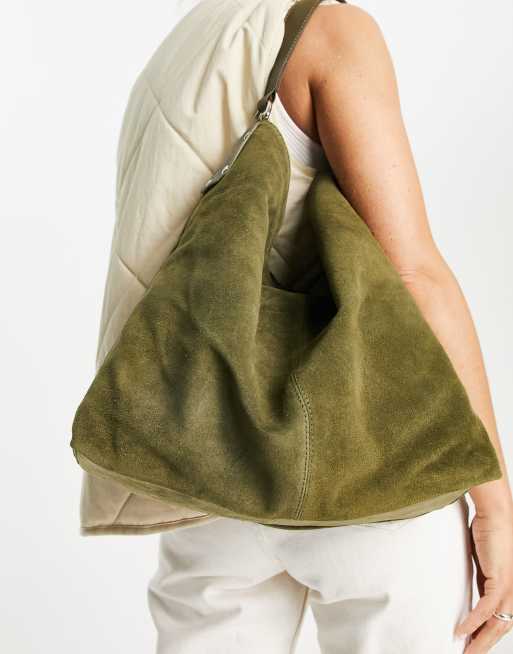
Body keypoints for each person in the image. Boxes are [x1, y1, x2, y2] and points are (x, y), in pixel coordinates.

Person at [79, 1, 513, 652]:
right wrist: (495, 506)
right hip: (370, 475)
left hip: (210, 475)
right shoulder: (332, 32)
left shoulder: (186, 42)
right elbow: (413, 274)